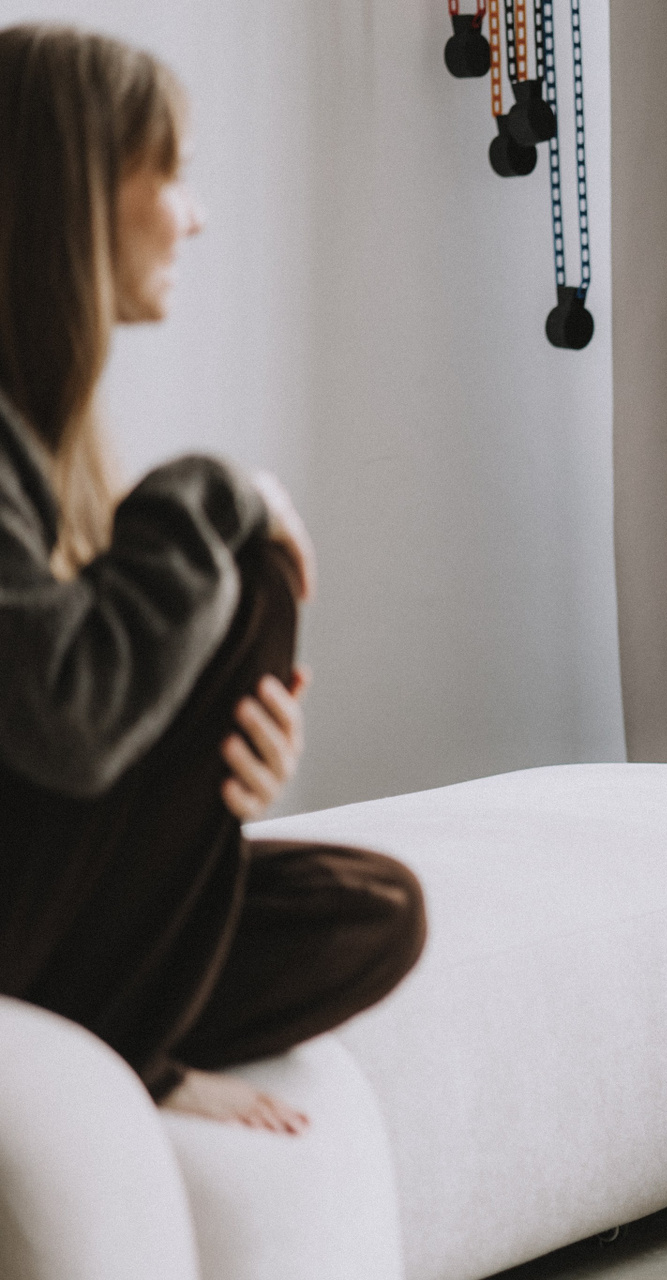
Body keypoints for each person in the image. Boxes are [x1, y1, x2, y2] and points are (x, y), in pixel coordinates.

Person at [0, 24, 425, 1136]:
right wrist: (225, 490)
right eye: (174, 173)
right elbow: (70, 716)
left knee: (373, 912)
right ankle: (134, 1049)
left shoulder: (39, 446)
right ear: (79, 191)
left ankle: (118, 1030)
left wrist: (212, 770)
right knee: (250, 565)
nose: (197, 216)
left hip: (32, 909)